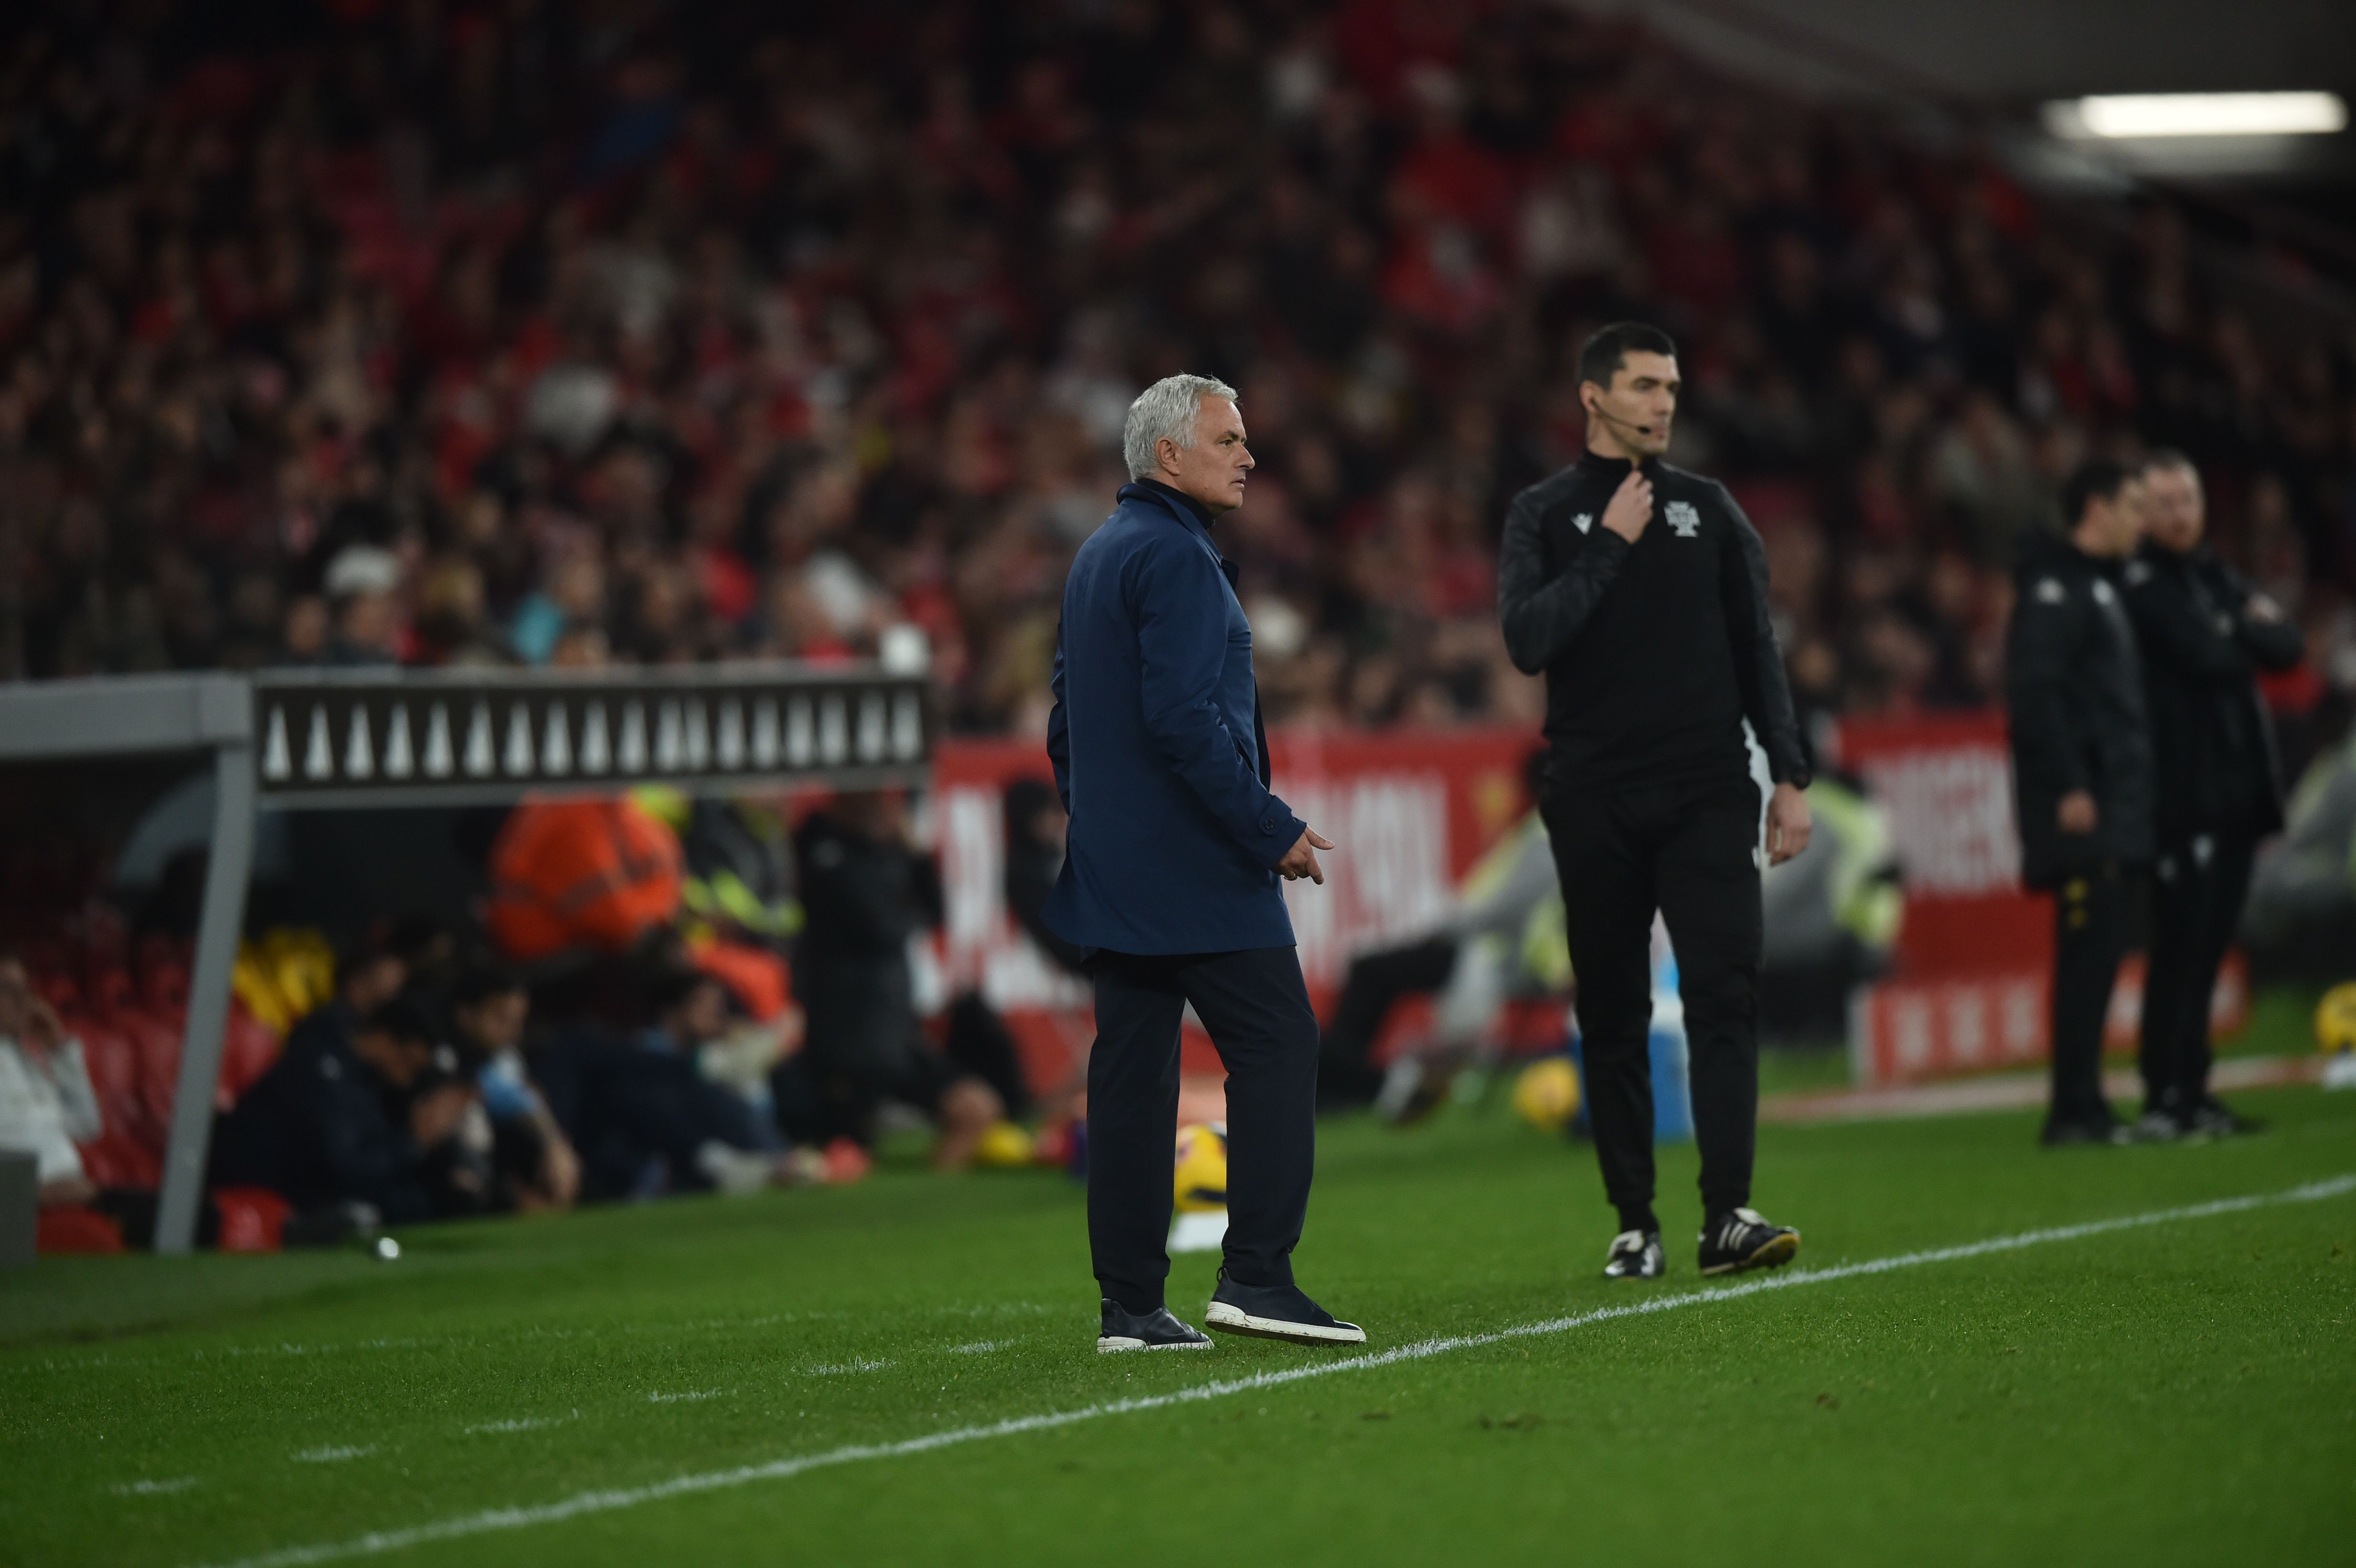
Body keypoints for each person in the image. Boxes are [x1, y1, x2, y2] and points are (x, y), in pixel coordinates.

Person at [1046, 372, 1362, 1351]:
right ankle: (1257, 1275)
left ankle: (1131, 1306)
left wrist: (1102, 825)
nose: (1248, 456)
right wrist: (1264, 824)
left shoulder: (1100, 554)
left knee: (1132, 1077)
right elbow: (1186, 718)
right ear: (1169, 455)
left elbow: (1066, 722)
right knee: (1277, 1043)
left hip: (1118, 867)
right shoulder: (1179, 558)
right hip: (1196, 870)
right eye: (1227, 439)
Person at [1498, 321, 1812, 1282]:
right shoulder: (1543, 515)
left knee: (1725, 992)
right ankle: (1634, 1221)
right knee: (1612, 1008)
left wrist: (1789, 776)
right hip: (1592, 793)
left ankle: (1729, 1214)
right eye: (1641, 385)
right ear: (1592, 396)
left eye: (1670, 386)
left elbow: (1756, 647)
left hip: (1709, 786)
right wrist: (1606, 547)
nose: (1662, 402)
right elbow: (1527, 638)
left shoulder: (1711, 511)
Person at [2120, 451, 2304, 1138]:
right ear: (2143, 511)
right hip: (2181, 796)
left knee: (2211, 945)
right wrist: (2242, 628)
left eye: (2188, 499)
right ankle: (2165, 1093)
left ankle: (2194, 1090)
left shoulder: (2211, 573)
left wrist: (2242, 629)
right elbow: (2204, 653)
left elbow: (2287, 645)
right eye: (2165, 502)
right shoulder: (2144, 582)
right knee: (2181, 945)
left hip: (2233, 794)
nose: (2179, 514)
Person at [2005, 457, 2155, 1146]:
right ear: (2096, 508)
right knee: (2085, 954)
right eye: (2131, 506)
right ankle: (2073, 1109)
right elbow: (2035, 695)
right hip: (2081, 802)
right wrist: (2069, 783)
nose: (2139, 521)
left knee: (2099, 955)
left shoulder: (2098, 585)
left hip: (2108, 800)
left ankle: (2087, 1103)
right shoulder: (2056, 588)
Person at [774, 790, 1005, 1168]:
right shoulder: (824, 853)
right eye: (873, 800)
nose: (885, 810)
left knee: (977, 1108)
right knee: (848, 1156)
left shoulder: (881, 852)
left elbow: (934, 913)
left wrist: (914, 855)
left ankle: (932, 1200)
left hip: (890, 1027)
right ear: (844, 803)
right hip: (849, 1033)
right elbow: (880, 927)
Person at [210, 996, 477, 1230]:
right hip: (265, 1189)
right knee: (397, 1204)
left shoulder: (366, 1078)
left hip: (313, 1182)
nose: (408, 1080)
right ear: (384, 1039)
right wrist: (414, 1142)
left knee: (423, 1197)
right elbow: (345, 1167)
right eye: (408, 1064)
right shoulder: (323, 1068)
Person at [449, 962, 581, 1211]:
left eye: (517, 1021)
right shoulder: (442, 1057)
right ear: (466, 1015)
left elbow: (523, 1099)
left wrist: (555, 1146)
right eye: (501, 1018)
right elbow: (506, 1095)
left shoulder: (504, 1057)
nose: (512, 1032)